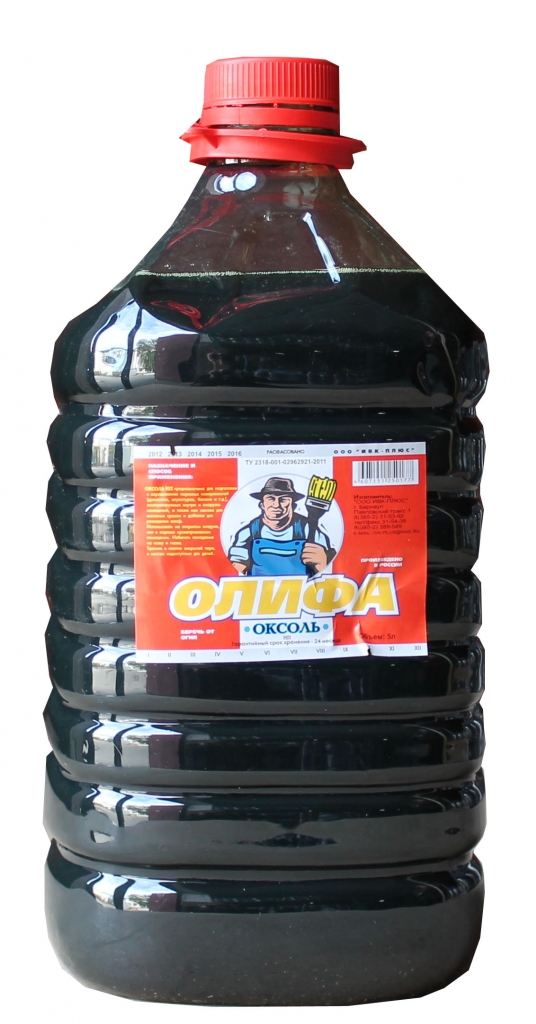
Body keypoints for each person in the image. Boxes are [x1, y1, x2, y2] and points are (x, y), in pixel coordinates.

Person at [228, 477, 335, 577]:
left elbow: (327, 567)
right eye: (271, 498)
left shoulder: (308, 530)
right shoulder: (249, 532)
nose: (276, 505)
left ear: (293, 506)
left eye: (283, 500)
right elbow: (237, 567)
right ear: (262, 505)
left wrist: (321, 562)